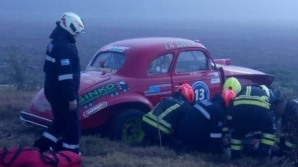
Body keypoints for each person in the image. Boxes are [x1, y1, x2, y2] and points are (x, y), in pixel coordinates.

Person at [33, 12, 85, 155]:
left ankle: (41, 146)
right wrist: (71, 98)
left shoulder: (55, 42)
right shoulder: (64, 47)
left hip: (52, 89)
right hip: (62, 93)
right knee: (73, 125)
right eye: (77, 33)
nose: (78, 36)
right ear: (71, 28)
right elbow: (65, 76)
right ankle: (71, 154)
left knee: (60, 122)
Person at [176, 89, 236, 154]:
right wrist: (220, 152)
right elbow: (215, 139)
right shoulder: (218, 111)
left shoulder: (209, 102)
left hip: (181, 135)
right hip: (192, 140)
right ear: (229, 102)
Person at [229, 84, 276, 160]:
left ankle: (235, 157)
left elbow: (231, 111)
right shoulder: (265, 91)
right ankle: (262, 157)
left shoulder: (243, 89)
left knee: (238, 134)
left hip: (239, 106)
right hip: (261, 106)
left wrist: (232, 124)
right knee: (268, 132)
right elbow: (271, 113)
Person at [270, 90, 298, 163]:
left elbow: (293, 138)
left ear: (279, 104)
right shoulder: (286, 112)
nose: (274, 112)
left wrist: (284, 155)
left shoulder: (293, 112)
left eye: (274, 109)